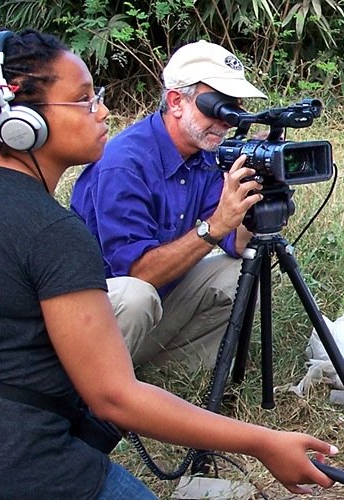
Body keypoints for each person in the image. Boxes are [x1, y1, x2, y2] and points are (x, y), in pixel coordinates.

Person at [0, 29, 333, 498]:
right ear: (23, 121)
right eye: (84, 100)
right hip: (16, 464)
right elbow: (114, 398)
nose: (104, 112)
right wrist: (263, 442)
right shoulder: (54, 231)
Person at [69, 40, 265, 368]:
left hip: (160, 304)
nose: (227, 121)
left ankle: (168, 380)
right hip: (100, 315)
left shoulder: (204, 156)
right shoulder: (126, 162)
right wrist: (215, 225)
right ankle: (103, 385)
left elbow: (235, 244)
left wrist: (254, 199)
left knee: (242, 272)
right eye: (216, 106)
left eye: (235, 108)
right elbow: (136, 273)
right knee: (136, 296)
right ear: (176, 101)